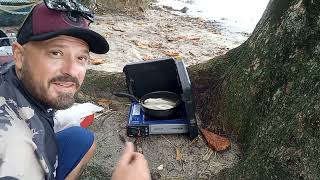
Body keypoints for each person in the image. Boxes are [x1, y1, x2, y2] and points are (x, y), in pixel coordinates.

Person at [0, 2, 150, 180]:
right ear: (19, 55)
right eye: (56, 53)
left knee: (81, 139)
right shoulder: (16, 151)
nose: (71, 70)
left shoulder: (12, 75)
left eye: (81, 57)